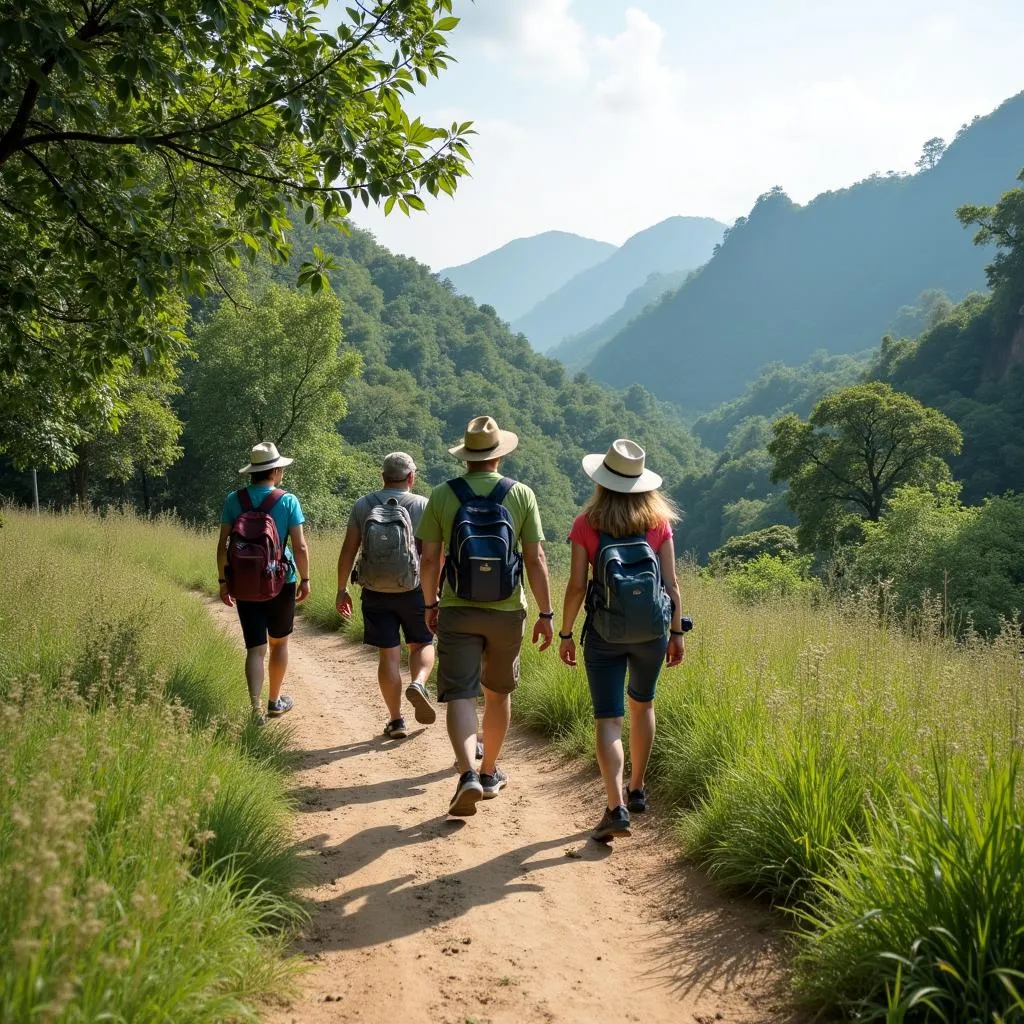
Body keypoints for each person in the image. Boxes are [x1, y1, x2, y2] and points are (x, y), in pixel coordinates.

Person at [417, 416, 554, 817]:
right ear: (499, 454)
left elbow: (429, 558)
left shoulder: (443, 494)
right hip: (508, 610)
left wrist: (430, 604)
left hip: (458, 608)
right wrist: (546, 613)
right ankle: (490, 771)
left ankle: (467, 775)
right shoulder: (522, 494)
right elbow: (536, 558)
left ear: (466, 456)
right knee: (498, 694)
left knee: (461, 693)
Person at [558, 439, 686, 842]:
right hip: (652, 630)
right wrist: (677, 632)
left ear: (602, 480)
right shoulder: (659, 523)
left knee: (608, 718)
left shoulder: (586, 523)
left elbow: (577, 586)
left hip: (604, 633)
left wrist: (564, 631)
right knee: (642, 704)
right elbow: (671, 583)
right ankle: (637, 789)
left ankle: (615, 808)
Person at [335, 452, 437, 739]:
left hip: (374, 590)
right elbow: (431, 556)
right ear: (411, 477)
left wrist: (342, 589)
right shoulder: (422, 505)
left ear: (383, 477)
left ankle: (395, 720)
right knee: (422, 644)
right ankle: (418, 682)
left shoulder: (363, 505)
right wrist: (435, 593)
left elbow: (348, 550)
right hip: (414, 589)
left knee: (388, 656)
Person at [217, 441, 310, 720]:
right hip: (281, 580)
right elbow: (301, 546)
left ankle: (255, 709)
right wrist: (305, 579)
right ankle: (274, 701)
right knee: (279, 643)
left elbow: (223, 545)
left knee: (255, 648)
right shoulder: (288, 500)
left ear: (253, 472)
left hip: (244, 582)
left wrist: (224, 581)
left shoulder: (234, 500)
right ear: (276, 471)